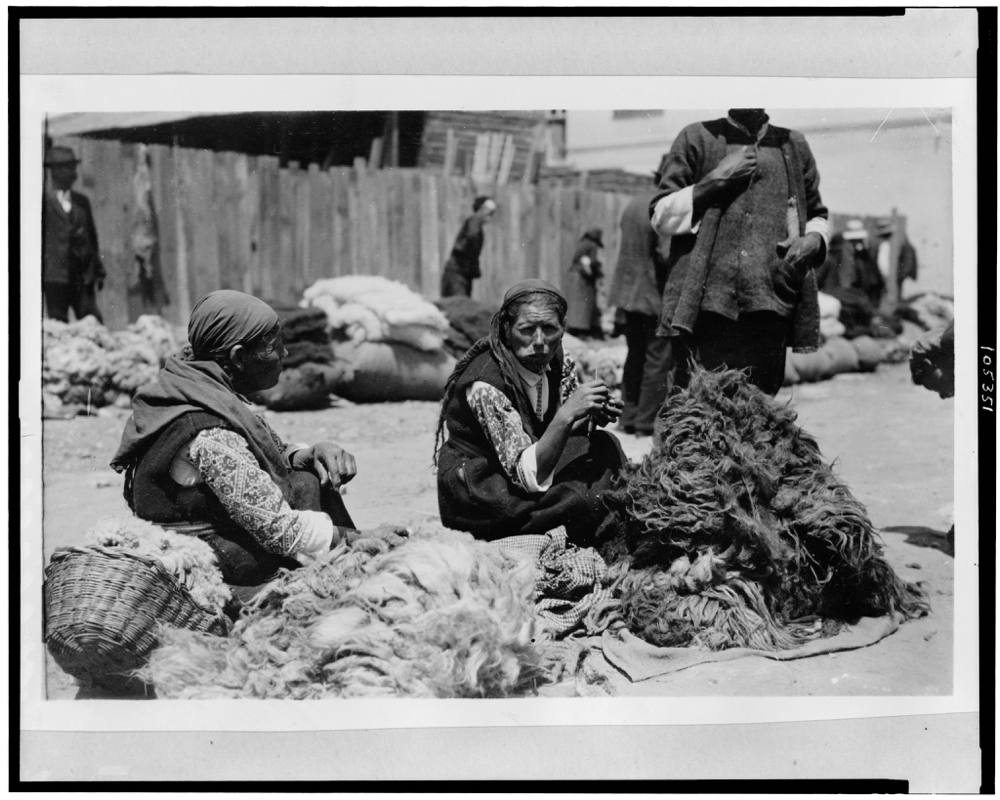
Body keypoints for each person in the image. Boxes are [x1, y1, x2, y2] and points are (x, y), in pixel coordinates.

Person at [110, 290, 406, 590]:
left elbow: (269, 451)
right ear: (239, 357)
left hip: (204, 531)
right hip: (203, 557)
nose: (285, 355)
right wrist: (359, 538)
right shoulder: (209, 432)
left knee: (305, 478)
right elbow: (278, 529)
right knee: (307, 495)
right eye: (274, 347)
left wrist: (310, 452)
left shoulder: (196, 388)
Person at [650, 108, 831, 396]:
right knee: (699, 411)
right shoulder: (696, 137)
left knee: (760, 414)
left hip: (769, 303)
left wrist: (814, 239)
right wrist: (715, 180)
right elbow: (660, 215)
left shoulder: (793, 144)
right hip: (707, 309)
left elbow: (817, 213)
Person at [434, 279, 625, 545]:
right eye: (526, 330)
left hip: (529, 460)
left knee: (606, 446)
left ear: (563, 328)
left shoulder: (557, 357)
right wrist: (568, 414)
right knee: (584, 500)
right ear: (506, 328)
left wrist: (590, 414)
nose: (539, 342)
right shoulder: (485, 383)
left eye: (549, 329)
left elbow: (564, 427)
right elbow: (528, 476)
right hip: (484, 488)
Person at [608, 181, 671, 436]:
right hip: (652, 295)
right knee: (658, 359)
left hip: (628, 295)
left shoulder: (635, 202)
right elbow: (665, 255)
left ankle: (628, 417)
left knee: (635, 355)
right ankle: (646, 422)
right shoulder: (664, 203)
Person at [42, 146, 107, 323]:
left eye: (73, 167)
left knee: (92, 321)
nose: (72, 172)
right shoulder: (43, 202)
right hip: (55, 277)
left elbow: (92, 239)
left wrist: (97, 270)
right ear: (53, 171)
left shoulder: (81, 201)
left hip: (82, 277)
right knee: (59, 324)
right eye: (66, 167)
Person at [440, 196, 497, 298]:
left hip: (462, 275)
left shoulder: (476, 225)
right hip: (456, 275)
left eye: (493, 212)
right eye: (489, 211)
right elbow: (471, 237)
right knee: (459, 307)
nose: (491, 215)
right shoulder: (474, 223)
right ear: (480, 209)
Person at [565, 228, 605, 337]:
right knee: (584, 305)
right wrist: (598, 273)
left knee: (575, 304)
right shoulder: (592, 246)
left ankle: (573, 328)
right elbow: (592, 262)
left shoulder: (582, 244)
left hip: (574, 275)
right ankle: (582, 330)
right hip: (583, 278)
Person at [875, 217, 919, 299]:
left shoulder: (901, 242)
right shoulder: (882, 243)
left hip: (895, 278)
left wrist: (899, 276)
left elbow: (908, 261)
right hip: (883, 278)